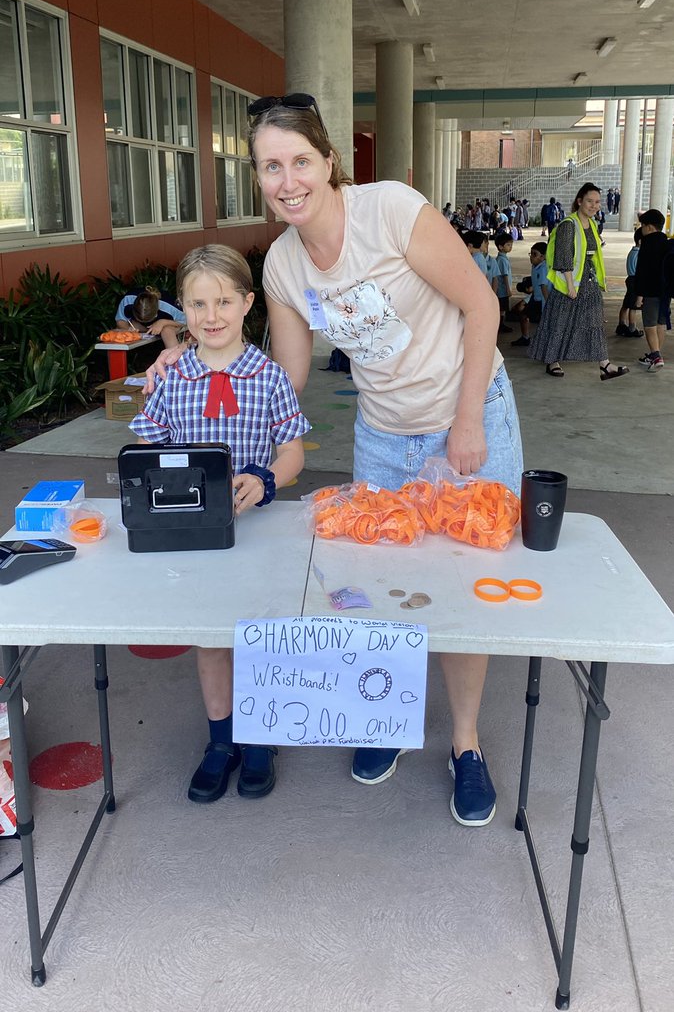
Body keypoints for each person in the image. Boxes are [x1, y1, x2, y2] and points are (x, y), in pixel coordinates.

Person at [147, 91, 524, 828]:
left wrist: (469, 419)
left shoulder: (391, 211)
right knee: (381, 587)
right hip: (382, 434)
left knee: (465, 587)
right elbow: (280, 379)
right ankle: (386, 723)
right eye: (268, 167)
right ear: (257, 176)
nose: (286, 180)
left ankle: (467, 746)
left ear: (328, 162)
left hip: (468, 416)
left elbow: (482, 305)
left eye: (299, 161)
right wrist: (186, 359)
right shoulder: (285, 265)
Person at [130, 244, 310, 803]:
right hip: (195, 536)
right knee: (211, 638)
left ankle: (259, 740)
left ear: (247, 303)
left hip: (258, 531)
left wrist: (264, 478)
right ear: (181, 309)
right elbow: (146, 441)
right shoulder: (172, 376)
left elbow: (294, 454)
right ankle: (220, 739)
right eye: (198, 303)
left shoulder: (270, 376)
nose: (212, 316)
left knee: (259, 633)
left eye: (224, 301)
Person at [528, 183, 629, 381]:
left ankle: (604, 364)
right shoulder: (568, 224)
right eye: (590, 201)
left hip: (588, 279)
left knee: (595, 321)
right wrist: (570, 285)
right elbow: (563, 257)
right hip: (570, 282)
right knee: (560, 321)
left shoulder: (591, 224)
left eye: (597, 202)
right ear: (579, 201)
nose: (594, 205)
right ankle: (552, 360)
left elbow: (591, 255)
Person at [634, 209, 669, 370]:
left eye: (642, 225)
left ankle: (655, 355)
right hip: (665, 291)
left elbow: (642, 271)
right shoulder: (667, 243)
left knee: (649, 324)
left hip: (650, 291)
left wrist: (639, 294)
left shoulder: (647, 244)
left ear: (648, 227)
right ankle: (656, 354)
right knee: (661, 323)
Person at [114, 285, 186, 349]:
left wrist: (163, 322)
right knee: (121, 331)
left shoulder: (169, 307)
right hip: (139, 326)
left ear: (156, 314)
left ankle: (175, 359)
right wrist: (128, 329)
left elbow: (186, 321)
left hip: (169, 324)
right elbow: (120, 320)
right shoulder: (127, 300)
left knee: (167, 330)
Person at [510, 241, 550, 348]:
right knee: (523, 314)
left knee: (543, 322)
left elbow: (544, 286)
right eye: (531, 254)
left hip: (542, 300)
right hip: (535, 297)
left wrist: (547, 302)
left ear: (543, 257)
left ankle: (544, 343)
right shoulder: (535, 266)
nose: (531, 257)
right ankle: (525, 337)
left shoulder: (543, 268)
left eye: (534, 254)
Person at [616, 228, 644, 339]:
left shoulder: (632, 252)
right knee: (633, 307)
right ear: (641, 241)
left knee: (626, 304)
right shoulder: (639, 255)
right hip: (635, 280)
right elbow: (640, 270)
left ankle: (621, 325)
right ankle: (632, 329)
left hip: (630, 279)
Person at [492, 230, 514, 334]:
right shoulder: (502, 260)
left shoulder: (503, 258)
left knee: (503, 308)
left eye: (511, 244)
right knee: (502, 308)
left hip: (503, 289)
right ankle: (500, 325)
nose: (510, 247)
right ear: (501, 247)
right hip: (503, 290)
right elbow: (504, 276)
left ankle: (501, 325)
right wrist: (508, 289)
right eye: (508, 245)